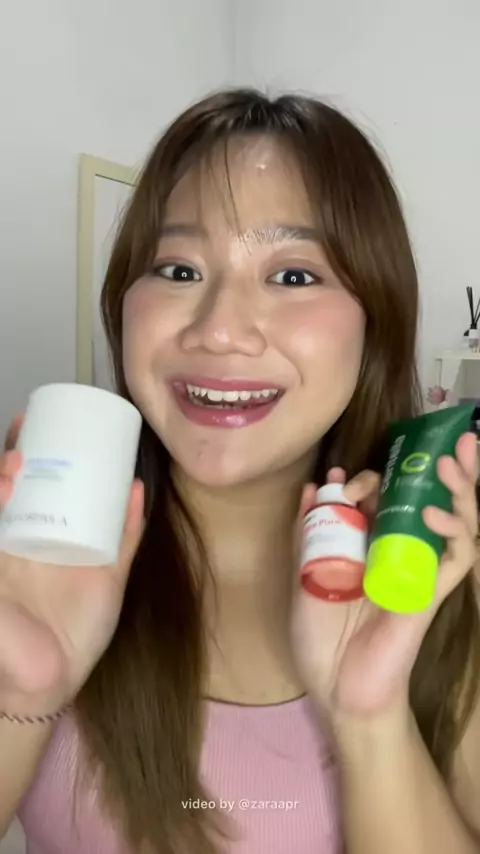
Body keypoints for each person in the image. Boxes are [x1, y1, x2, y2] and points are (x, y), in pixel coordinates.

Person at [0, 89, 479, 854]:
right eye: (178, 268)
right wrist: (19, 696)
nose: (220, 330)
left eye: (293, 277)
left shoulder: (445, 593)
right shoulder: (25, 563)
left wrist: (369, 715)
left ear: (376, 321)